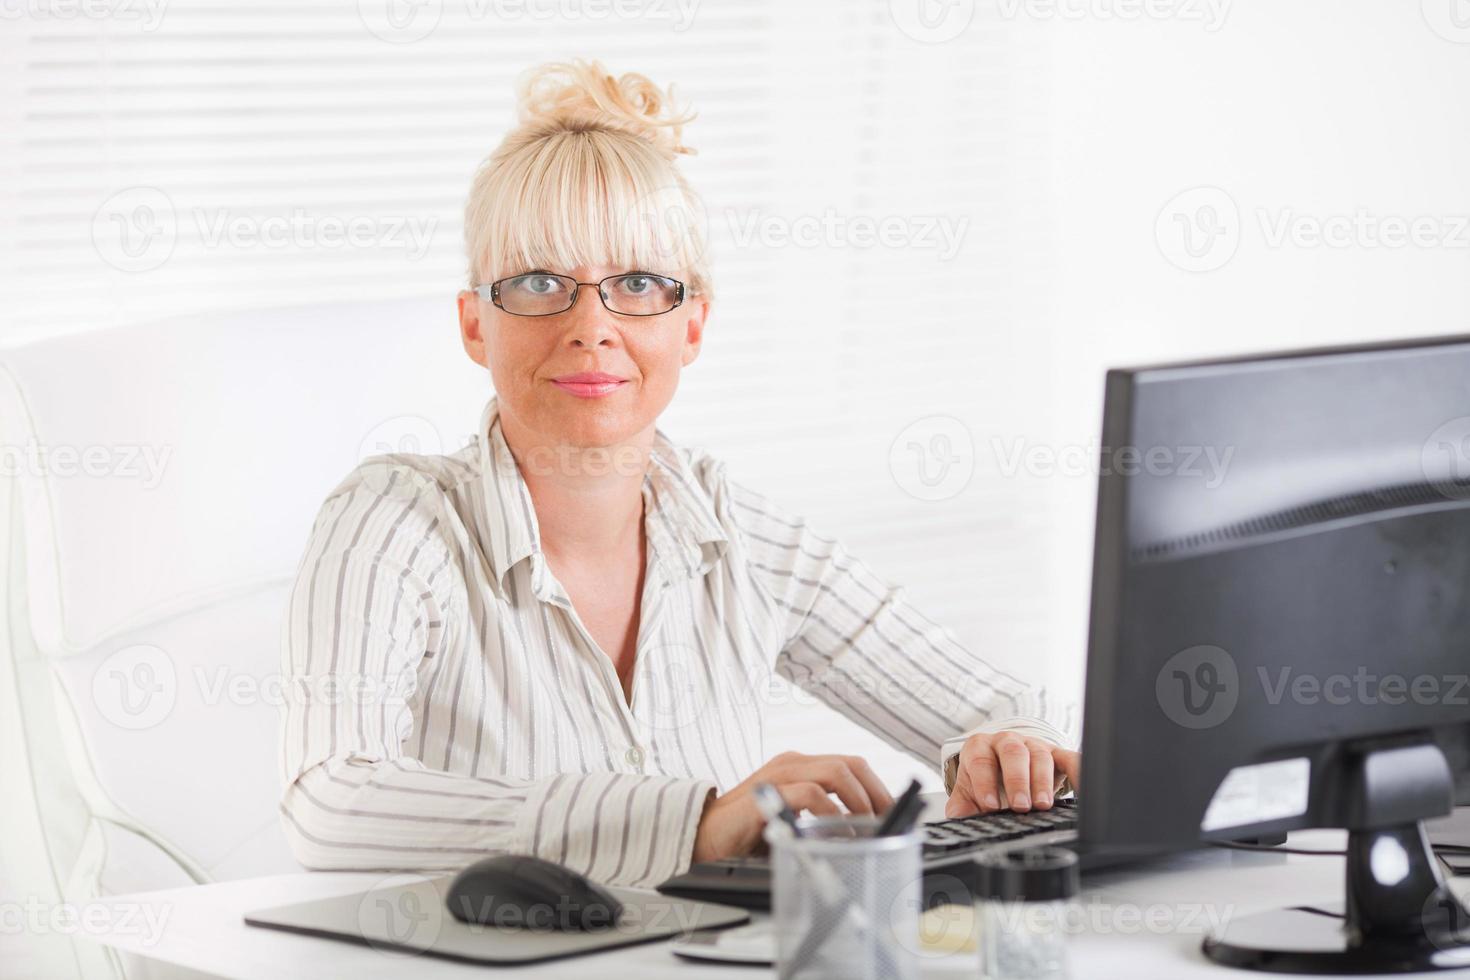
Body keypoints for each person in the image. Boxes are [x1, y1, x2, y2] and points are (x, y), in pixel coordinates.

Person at [279, 59, 1078, 889]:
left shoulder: (731, 530)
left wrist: (1011, 747)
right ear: (475, 323)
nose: (592, 326)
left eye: (638, 284)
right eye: (540, 281)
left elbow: (1001, 712)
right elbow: (329, 804)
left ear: (692, 324)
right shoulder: (394, 520)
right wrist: (693, 823)